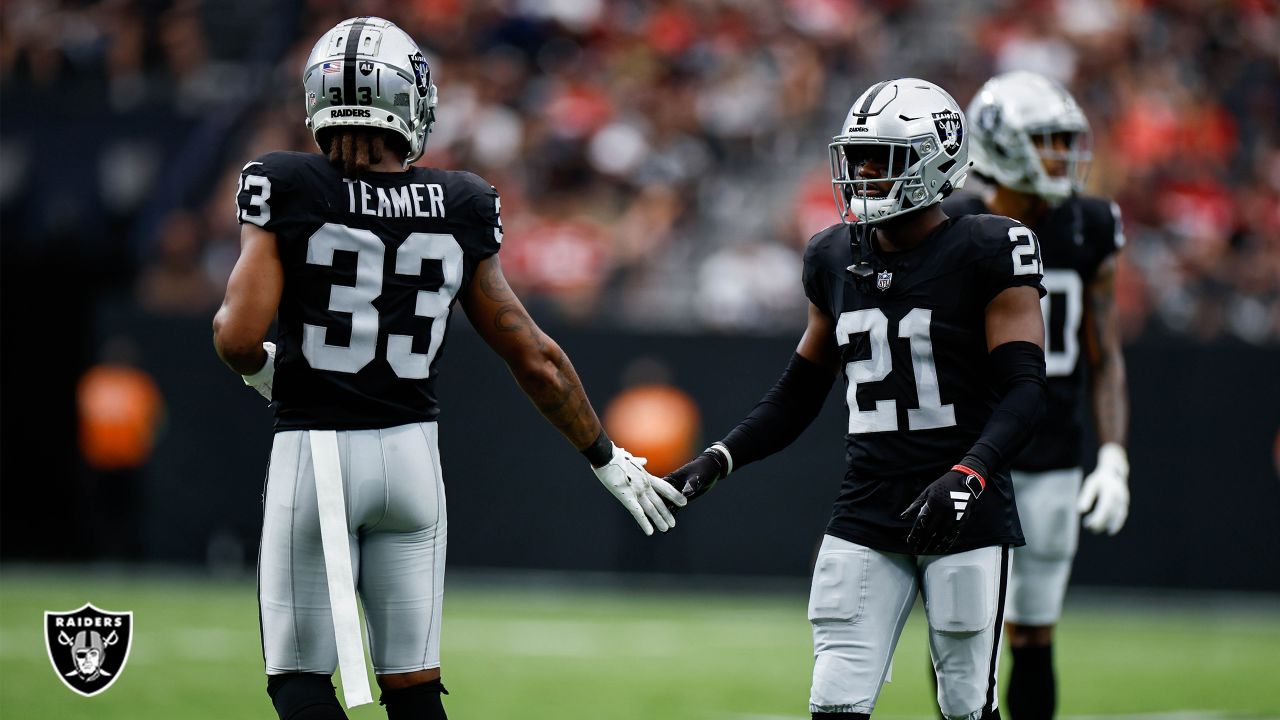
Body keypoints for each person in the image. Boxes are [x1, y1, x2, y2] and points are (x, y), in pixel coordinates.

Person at [211, 17, 685, 720]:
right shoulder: (461, 202)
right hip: (411, 461)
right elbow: (535, 357)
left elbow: (236, 335)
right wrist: (605, 457)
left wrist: (265, 374)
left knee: (303, 680)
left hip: (316, 451)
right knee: (414, 691)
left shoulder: (285, 182)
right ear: (410, 102)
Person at [665, 78, 1048, 719]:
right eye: (858, 158)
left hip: (966, 510)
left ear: (937, 159)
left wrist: (969, 475)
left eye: (882, 160)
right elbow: (797, 395)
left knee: (963, 707)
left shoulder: (988, 247)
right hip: (868, 506)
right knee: (834, 703)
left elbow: (1025, 390)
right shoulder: (832, 256)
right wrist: (718, 458)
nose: (863, 175)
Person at [943, 70, 1130, 720]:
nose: (1062, 156)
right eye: (1047, 141)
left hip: (1051, 455)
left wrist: (1113, 453)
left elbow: (1104, 352)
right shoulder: (954, 224)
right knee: (965, 639)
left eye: (1064, 140)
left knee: (1033, 635)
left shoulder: (1089, 224)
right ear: (1001, 144)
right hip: (973, 454)